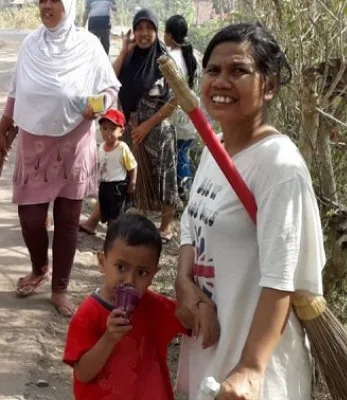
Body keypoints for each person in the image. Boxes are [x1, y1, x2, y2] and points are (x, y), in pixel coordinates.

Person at [174, 22, 324, 400]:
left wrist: (251, 369)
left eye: (238, 71)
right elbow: (192, 225)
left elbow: (281, 277)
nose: (221, 81)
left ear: (269, 86)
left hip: (254, 374)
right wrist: (185, 284)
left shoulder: (280, 168)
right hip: (209, 352)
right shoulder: (213, 150)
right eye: (213, 71)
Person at [0, 0, 121, 316]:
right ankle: (40, 266)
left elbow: (109, 88)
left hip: (74, 142)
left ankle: (59, 288)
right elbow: (16, 88)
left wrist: (97, 106)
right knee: (30, 218)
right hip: (34, 142)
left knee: (67, 222)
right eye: (42, 0)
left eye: (54, 0)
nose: (47, 6)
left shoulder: (89, 45)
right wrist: (5, 121)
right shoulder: (30, 44)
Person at [63, 213, 190, 399]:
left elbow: (189, 320)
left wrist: (201, 307)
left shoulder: (155, 307)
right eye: (121, 267)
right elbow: (83, 373)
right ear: (102, 262)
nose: (129, 280)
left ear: (154, 274)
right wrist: (109, 338)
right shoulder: (88, 313)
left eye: (142, 272)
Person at [114, 8, 180, 243]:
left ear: (156, 30)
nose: (143, 33)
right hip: (131, 128)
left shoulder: (165, 62)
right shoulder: (130, 58)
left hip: (157, 132)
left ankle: (165, 227)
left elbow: (176, 99)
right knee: (131, 176)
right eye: (139, 28)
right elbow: (111, 79)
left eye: (149, 28)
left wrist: (148, 125)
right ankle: (134, 223)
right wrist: (124, 51)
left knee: (164, 177)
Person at [164, 14, 199, 201]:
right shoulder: (194, 55)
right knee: (183, 155)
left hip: (175, 116)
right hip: (192, 116)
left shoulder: (169, 59)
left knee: (176, 158)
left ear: (169, 35)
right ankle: (186, 193)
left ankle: (184, 195)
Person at [96, 108, 137, 226]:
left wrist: (132, 182)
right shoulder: (101, 147)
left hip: (117, 186)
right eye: (104, 128)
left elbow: (133, 166)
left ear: (121, 131)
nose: (107, 132)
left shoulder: (122, 148)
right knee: (106, 212)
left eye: (113, 129)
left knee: (116, 213)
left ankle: (113, 234)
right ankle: (111, 230)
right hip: (104, 185)